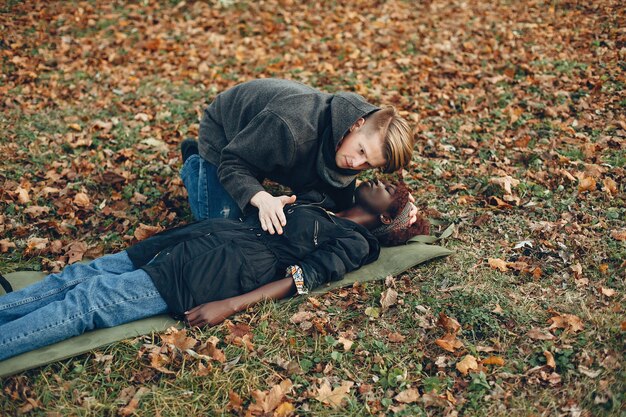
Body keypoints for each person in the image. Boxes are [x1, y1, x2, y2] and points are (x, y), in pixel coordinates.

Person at [0, 180, 429, 361]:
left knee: (86, 302)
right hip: (189, 242)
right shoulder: (322, 202)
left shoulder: (355, 243)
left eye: (389, 191)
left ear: (387, 220)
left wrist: (230, 304)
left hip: (211, 271)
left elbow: (304, 278)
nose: (380, 182)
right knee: (76, 277)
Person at [180, 78, 416, 235]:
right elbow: (233, 162)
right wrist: (261, 197)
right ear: (356, 124)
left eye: (368, 164)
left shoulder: (351, 148)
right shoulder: (292, 126)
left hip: (268, 143)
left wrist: (400, 211)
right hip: (227, 134)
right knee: (221, 226)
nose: (356, 164)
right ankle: (195, 159)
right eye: (362, 151)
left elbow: (342, 205)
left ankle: (261, 163)